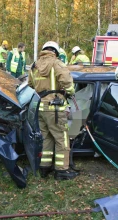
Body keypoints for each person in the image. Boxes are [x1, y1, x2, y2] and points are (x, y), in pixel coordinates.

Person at [28, 41, 79, 180]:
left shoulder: (34, 65)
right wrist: (69, 92)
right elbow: (67, 81)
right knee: (62, 139)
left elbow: (30, 84)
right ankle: (62, 170)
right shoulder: (56, 63)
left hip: (40, 108)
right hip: (55, 109)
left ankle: (45, 167)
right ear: (55, 52)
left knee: (46, 138)